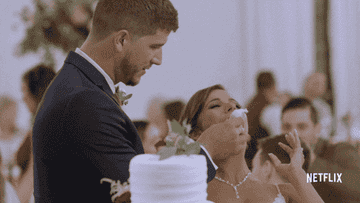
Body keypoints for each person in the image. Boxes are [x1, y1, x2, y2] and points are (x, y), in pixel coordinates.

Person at [32, 1, 247, 202]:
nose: (158, 59)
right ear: (122, 40)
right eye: (154, 46)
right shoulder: (85, 101)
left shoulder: (79, 85)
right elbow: (144, 195)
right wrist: (208, 150)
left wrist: (152, 160)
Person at [179, 84, 324, 203]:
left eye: (234, 103)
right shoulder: (191, 190)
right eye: (215, 105)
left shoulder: (283, 191)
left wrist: (297, 175)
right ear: (197, 134)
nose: (232, 107)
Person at [281, 98, 360, 202]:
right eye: (287, 127)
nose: (293, 134)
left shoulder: (339, 151)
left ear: (317, 129)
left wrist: (313, 162)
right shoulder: (278, 158)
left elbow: (356, 187)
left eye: (302, 127)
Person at [15, 64, 56, 203]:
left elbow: (33, 173)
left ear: (37, 91)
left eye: (25, 91)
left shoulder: (44, 128)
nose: (23, 98)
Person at [246, 71, 277, 169]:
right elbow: (277, 136)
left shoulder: (250, 104)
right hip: (260, 160)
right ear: (273, 86)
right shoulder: (269, 110)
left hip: (248, 158)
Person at [0, 96, 24, 184]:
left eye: (15, 112)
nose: (14, 116)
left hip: (20, 181)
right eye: (10, 113)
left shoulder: (22, 136)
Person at [303, 72, 333, 140]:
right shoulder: (295, 104)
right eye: (317, 83)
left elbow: (325, 132)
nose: (322, 87)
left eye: (323, 84)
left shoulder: (324, 107)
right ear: (306, 83)